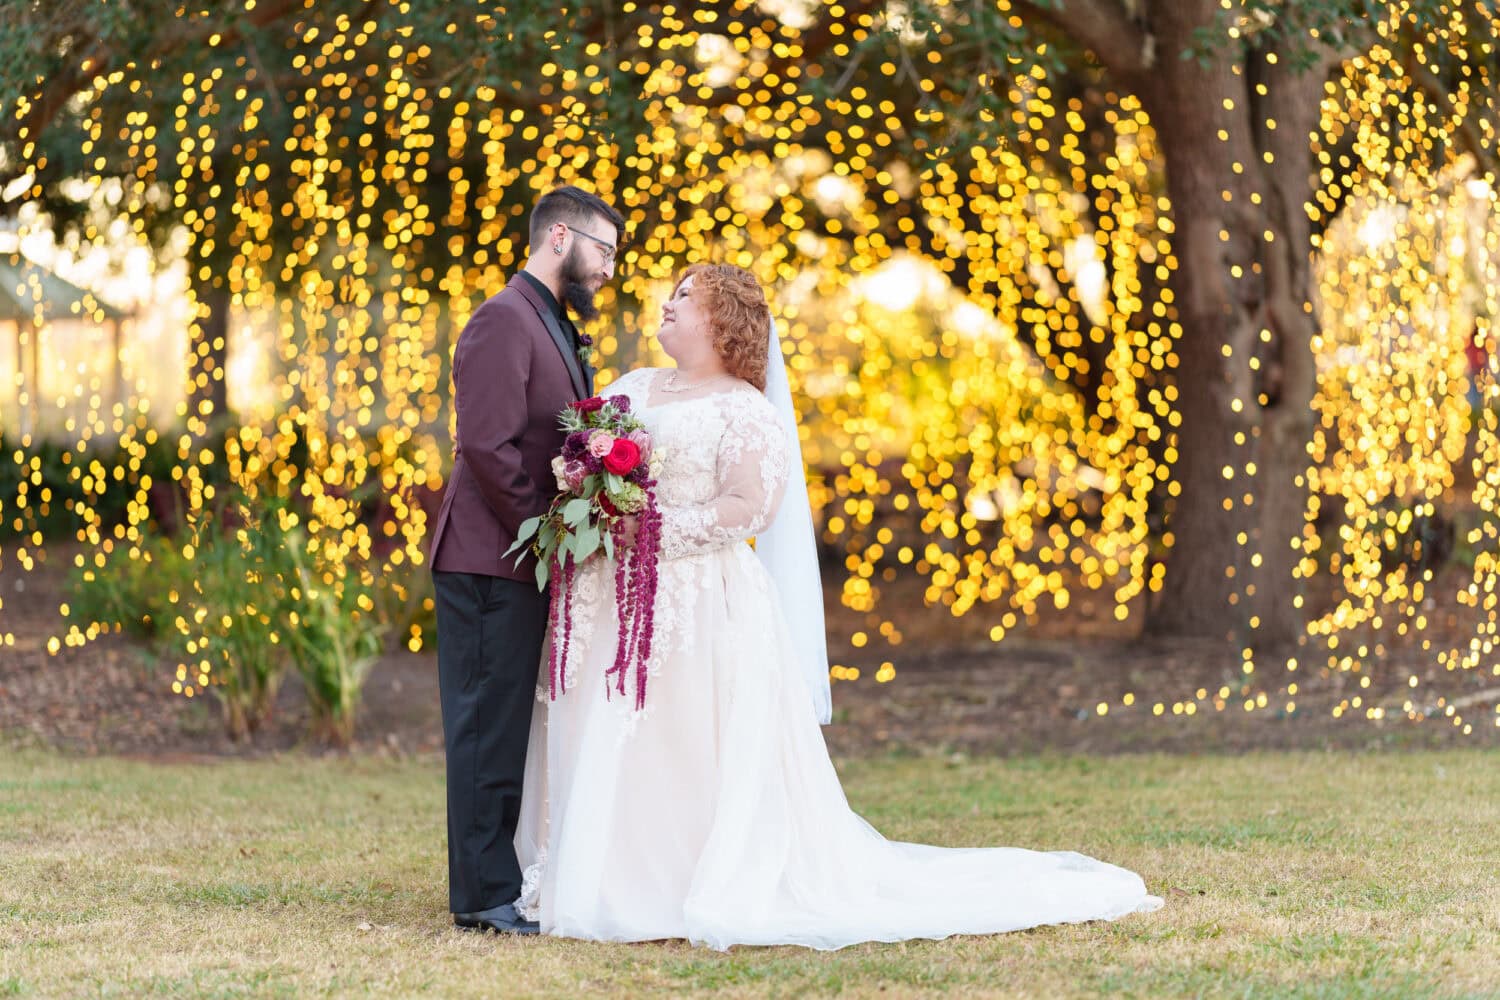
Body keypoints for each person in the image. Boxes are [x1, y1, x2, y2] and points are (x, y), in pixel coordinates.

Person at [513, 263, 1161, 950]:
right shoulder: (627, 388)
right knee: (604, 723)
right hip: (608, 599)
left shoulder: (745, 410)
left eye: (684, 299)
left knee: (678, 737)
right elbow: (581, 463)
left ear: (722, 322)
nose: (666, 307)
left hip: (699, 604)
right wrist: (589, 500)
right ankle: (589, 870)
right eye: (670, 296)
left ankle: (664, 881)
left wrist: (646, 530)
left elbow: (747, 507)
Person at [428, 185, 624, 935]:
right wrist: (543, 533)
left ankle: (495, 881)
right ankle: (480, 895)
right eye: (602, 250)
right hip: (488, 560)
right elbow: (486, 445)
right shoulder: (503, 319)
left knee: (506, 722)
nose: (608, 267)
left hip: (514, 561)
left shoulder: (549, 321)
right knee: (484, 723)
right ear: (560, 238)